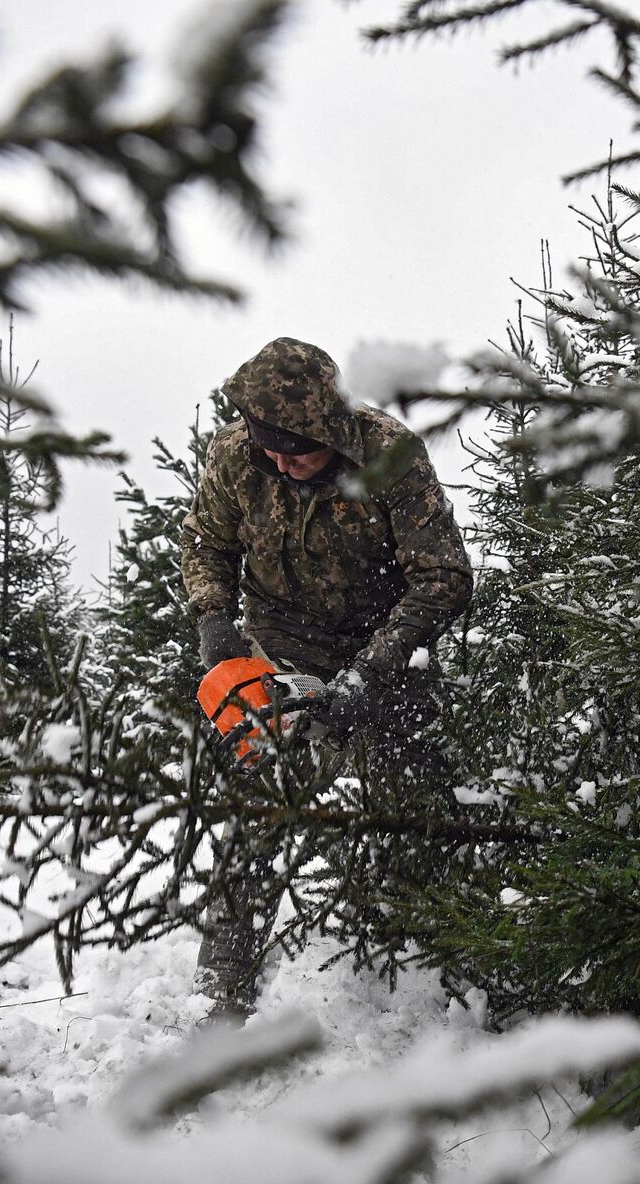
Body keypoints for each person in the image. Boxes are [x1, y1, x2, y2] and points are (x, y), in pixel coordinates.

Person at [178, 336, 473, 1022]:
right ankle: (225, 981)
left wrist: (372, 672)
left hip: (388, 642)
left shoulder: (390, 456)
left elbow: (444, 579)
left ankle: (433, 963)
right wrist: (215, 625)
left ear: (330, 431)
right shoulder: (235, 457)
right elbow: (205, 542)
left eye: (297, 450)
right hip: (281, 640)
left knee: (419, 794)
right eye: (270, 449)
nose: (282, 462)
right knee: (261, 796)